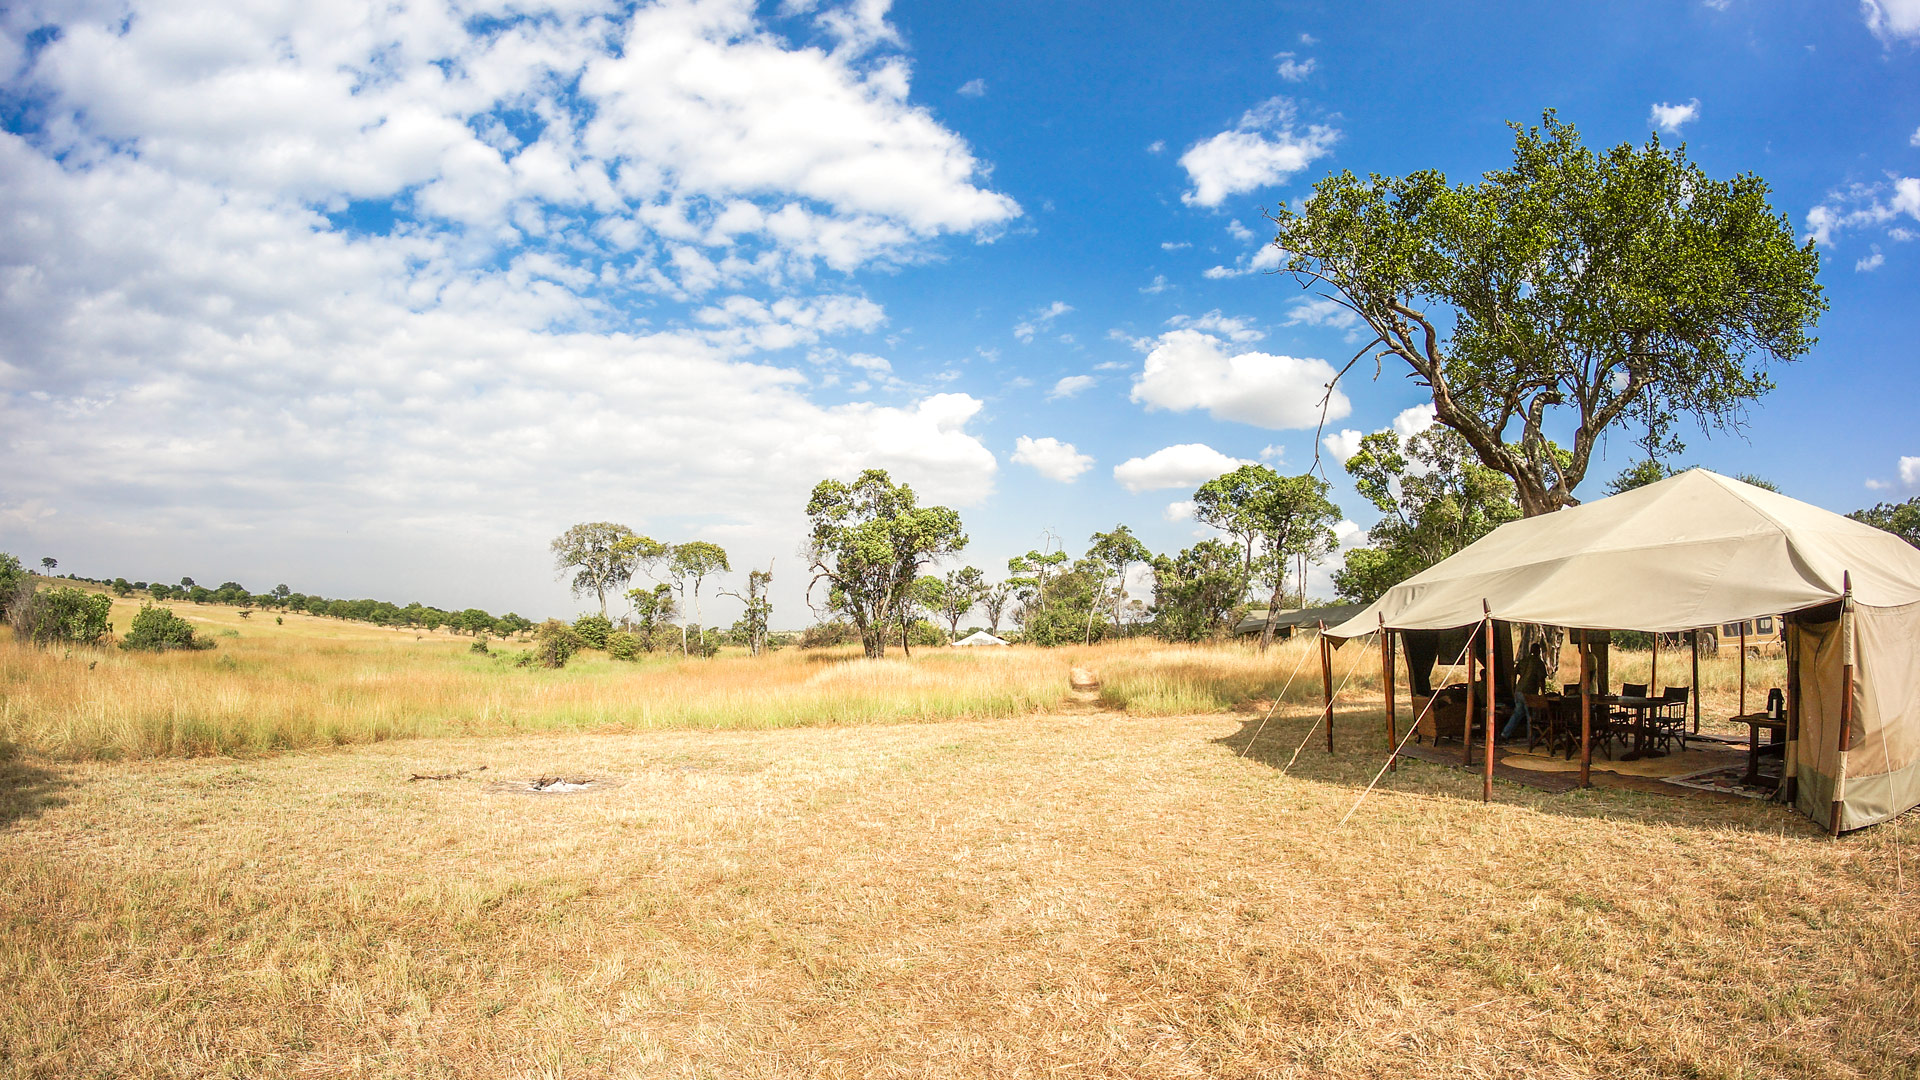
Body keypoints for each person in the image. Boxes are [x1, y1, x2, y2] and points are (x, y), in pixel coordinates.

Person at [1500, 640, 1549, 742]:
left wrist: (1513, 688)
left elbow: (1513, 674)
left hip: (1519, 691)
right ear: (1538, 651)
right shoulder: (1539, 663)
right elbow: (1541, 680)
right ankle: (1531, 739)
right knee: (1531, 716)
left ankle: (1505, 733)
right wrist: (1543, 694)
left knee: (1517, 713)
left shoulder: (1523, 660)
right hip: (1529, 693)